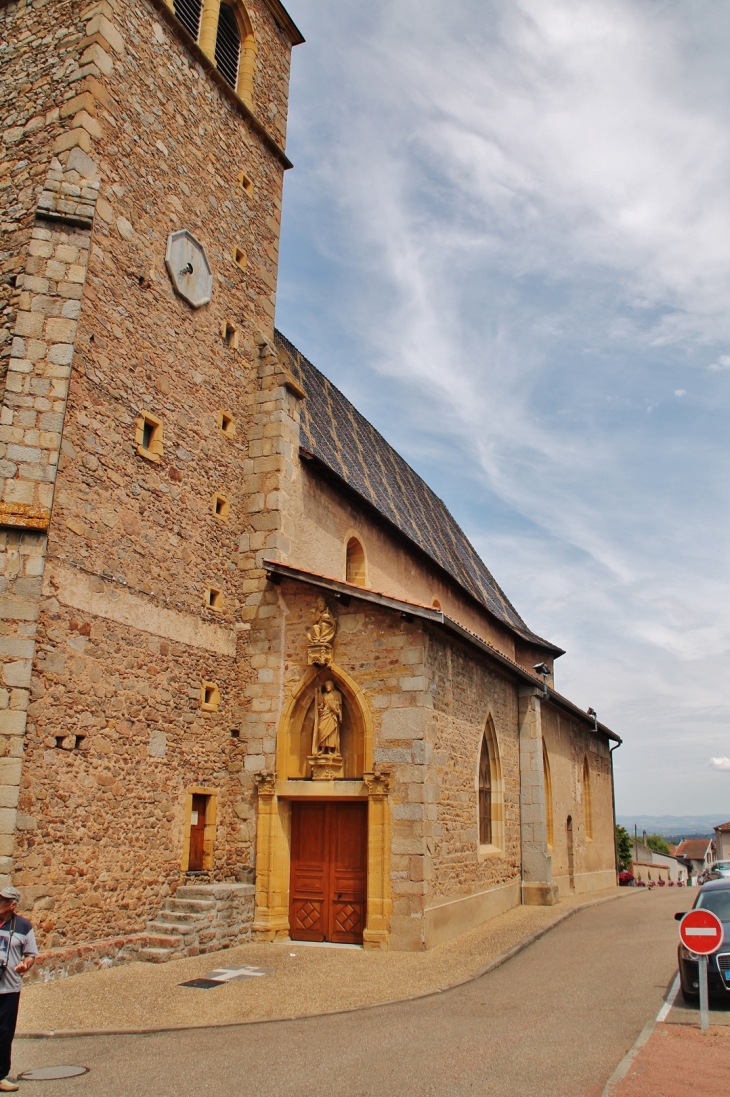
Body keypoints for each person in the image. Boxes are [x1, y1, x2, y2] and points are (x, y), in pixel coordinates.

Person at [0, 886, 38, 1092]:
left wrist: (26, 965)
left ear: (12, 905)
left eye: (2, 901)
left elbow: (31, 954)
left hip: (9, 988)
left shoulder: (23, 926)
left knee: (4, 1033)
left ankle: (1, 1075)